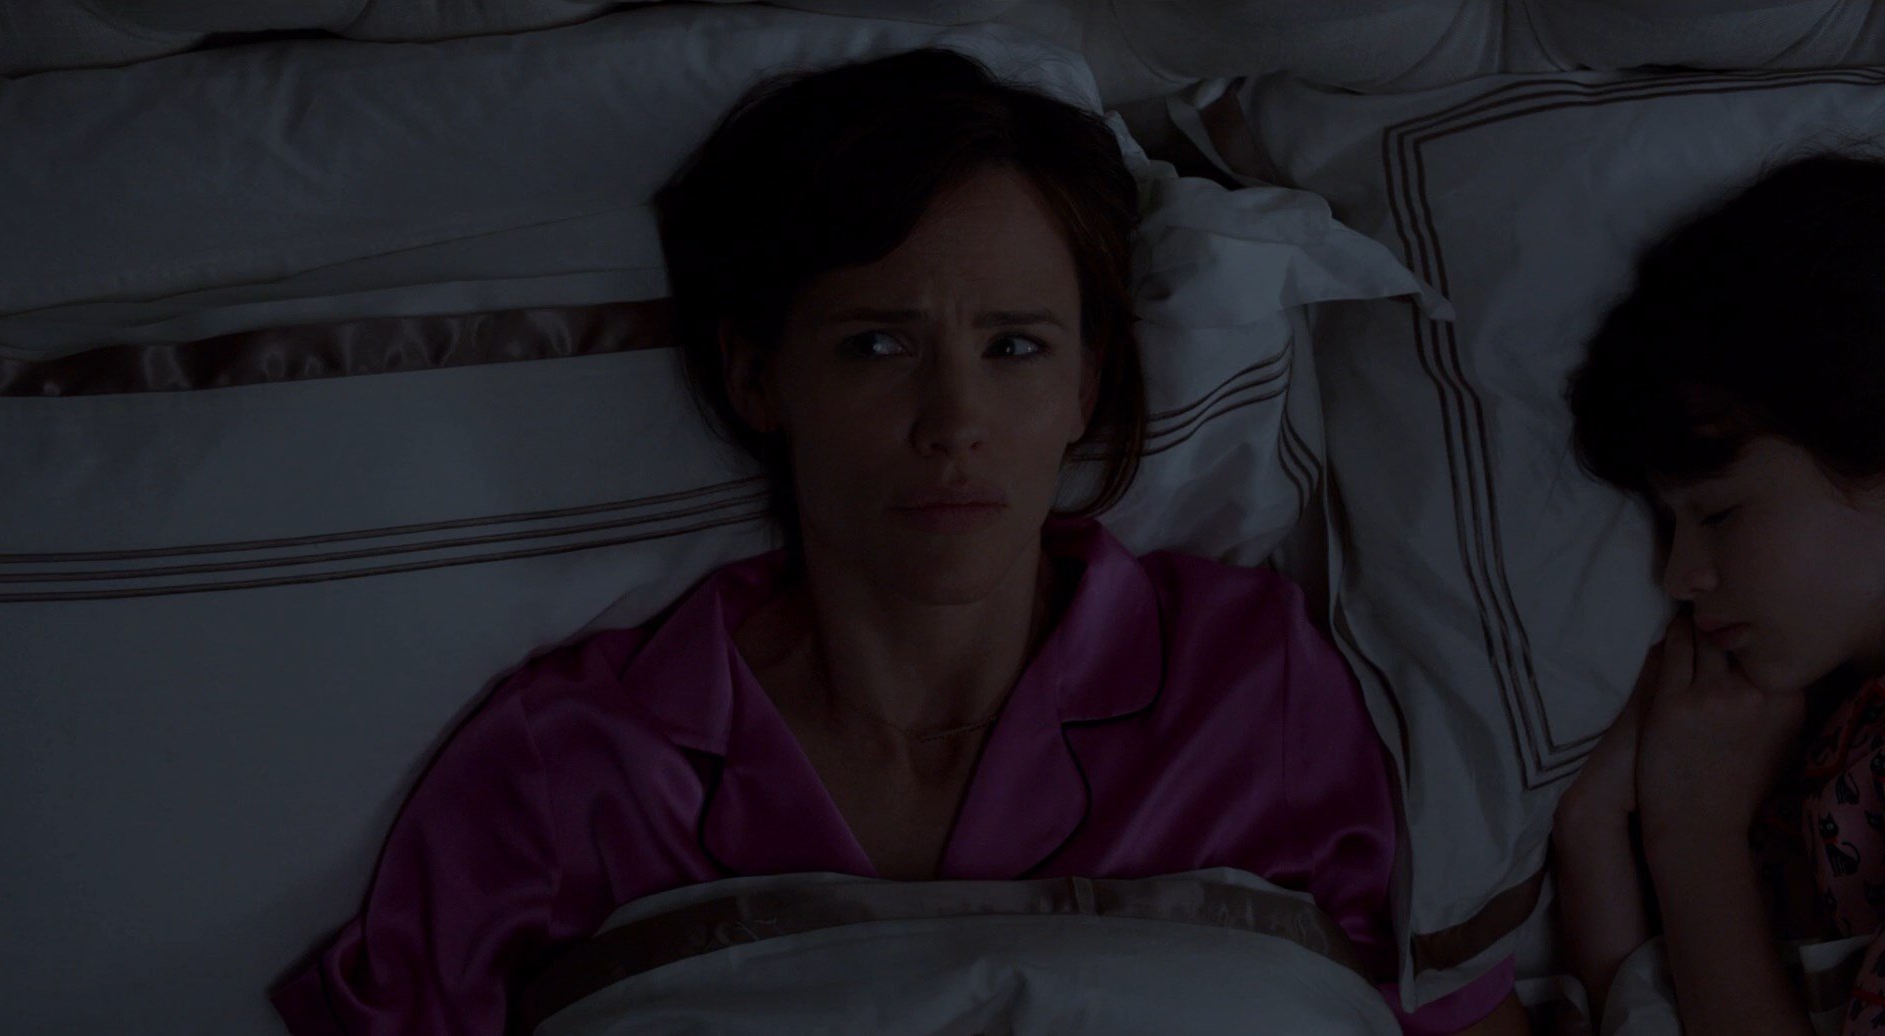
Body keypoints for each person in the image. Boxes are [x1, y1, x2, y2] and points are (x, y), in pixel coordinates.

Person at [269, 48, 1524, 1034]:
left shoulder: (1253, 686)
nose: (954, 422)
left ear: (1085, 386)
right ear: (760, 379)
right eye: (877, 345)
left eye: (1015, 347)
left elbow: (1452, 1014)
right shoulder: (584, 760)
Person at [1556, 153, 1885, 1034]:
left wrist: (1695, 835)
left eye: (1721, 513)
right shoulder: (1811, 733)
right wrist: (1593, 830)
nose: (1679, 578)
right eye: (1670, 527)